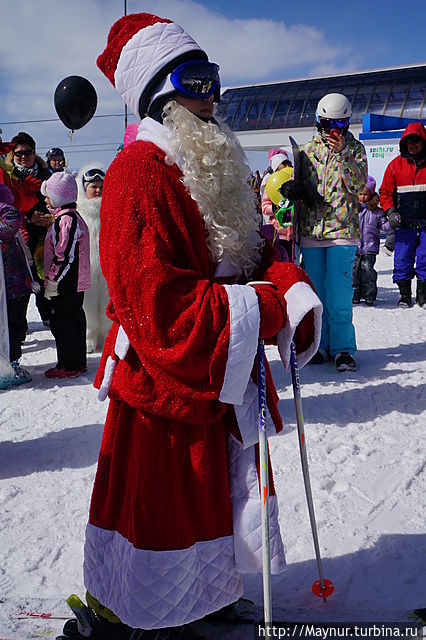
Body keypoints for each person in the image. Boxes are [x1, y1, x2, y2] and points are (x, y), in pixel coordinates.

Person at [55, 12, 323, 640]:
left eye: (214, 81)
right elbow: (160, 307)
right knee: (163, 513)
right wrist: (262, 306)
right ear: (158, 92)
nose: (211, 100)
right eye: (195, 81)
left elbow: (251, 250)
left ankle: (208, 595)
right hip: (164, 391)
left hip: (221, 376)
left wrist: (282, 277)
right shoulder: (139, 173)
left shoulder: (212, 163)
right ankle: (140, 613)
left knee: (217, 504)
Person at [282, 93, 368, 371]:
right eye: (327, 124)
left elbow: (357, 186)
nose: (333, 131)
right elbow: (298, 183)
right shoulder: (307, 151)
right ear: (318, 121)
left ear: (347, 124)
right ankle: (319, 345)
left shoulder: (355, 150)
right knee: (316, 294)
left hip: (342, 231)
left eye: (339, 125)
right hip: (311, 232)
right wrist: (293, 190)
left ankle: (342, 348)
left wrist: (343, 153)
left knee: (339, 294)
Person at [41, 172, 90, 379]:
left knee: (63, 323)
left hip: (67, 282)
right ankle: (78, 362)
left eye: (48, 196)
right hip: (74, 281)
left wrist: (52, 280)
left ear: (59, 198)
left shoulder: (66, 221)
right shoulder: (71, 217)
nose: (45, 200)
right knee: (75, 318)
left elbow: (64, 254)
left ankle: (68, 365)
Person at [0, 132, 52, 326]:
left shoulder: (46, 175)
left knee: (45, 276)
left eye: (27, 152)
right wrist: (29, 218)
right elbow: (7, 205)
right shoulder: (8, 175)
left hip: (45, 233)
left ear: (34, 152)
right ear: (12, 154)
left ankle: (47, 315)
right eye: (19, 152)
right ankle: (18, 325)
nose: (23, 156)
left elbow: (61, 201)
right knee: (22, 281)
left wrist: (51, 217)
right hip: (18, 235)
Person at [379, 122, 426, 307]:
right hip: (403, 223)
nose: (412, 146)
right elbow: (385, 192)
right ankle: (405, 295)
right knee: (402, 259)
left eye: (416, 141)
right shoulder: (395, 166)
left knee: (425, 258)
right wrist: (390, 211)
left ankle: (423, 296)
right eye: (409, 142)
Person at [0, 183, 33, 388]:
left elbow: (8, 226)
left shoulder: (8, 212)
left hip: (14, 286)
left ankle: (10, 366)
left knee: (13, 326)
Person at [76, 164, 111, 353]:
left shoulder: (111, 207)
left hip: (106, 265)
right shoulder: (77, 209)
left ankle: (108, 334)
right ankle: (89, 334)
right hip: (86, 266)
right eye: (93, 187)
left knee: (107, 298)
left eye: (101, 187)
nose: (98, 190)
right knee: (87, 302)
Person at [352, 176, 391, 305]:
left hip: (370, 247)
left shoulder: (376, 212)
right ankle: (355, 293)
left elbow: (383, 225)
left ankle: (369, 294)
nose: (362, 197)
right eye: (360, 194)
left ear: (371, 195)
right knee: (354, 271)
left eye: (366, 194)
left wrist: (392, 224)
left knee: (368, 271)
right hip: (355, 247)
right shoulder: (354, 209)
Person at [262, 148, 294, 259]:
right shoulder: (271, 182)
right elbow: (264, 207)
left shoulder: (293, 180)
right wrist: (275, 207)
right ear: (276, 167)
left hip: (294, 233)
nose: (287, 166)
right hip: (279, 233)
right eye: (283, 164)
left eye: (288, 163)